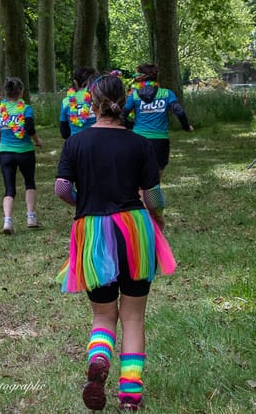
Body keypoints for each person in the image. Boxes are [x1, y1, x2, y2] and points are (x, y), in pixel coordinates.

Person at [54, 74, 176, 412]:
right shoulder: (140, 143)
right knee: (134, 318)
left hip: (93, 233)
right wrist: (159, 218)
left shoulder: (76, 143)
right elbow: (152, 195)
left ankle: (99, 359)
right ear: (124, 103)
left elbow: (62, 189)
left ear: (91, 104)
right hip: (134, 231)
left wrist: (83, 203)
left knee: (103, 316)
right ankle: (130, 397)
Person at [0, 77, 43, 235]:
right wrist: (37, 141)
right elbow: (30, 127)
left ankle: (7, 221)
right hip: (25, 151)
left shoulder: (0, 110)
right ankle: (31, 217)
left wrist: (1, 129)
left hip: (5, 153)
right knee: (29, 183)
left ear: (6, 93)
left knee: (9, 188)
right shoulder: (26, 109)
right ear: (21, 92)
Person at [122, 63, 193, 175]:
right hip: (159, 141)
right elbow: (179, 111)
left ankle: (142, 193)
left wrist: (131, 125)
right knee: (155, 179)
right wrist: (186, 127)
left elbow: (123, 116)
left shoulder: (134, 95)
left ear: (140, 77)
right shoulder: (167, 93)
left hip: (138, 140)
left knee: (138, 178)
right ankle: (152, 193)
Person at [59, 67, 97, 139]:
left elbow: (64, 133)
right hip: (98, 142)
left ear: (75, 82)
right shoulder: (99, 98)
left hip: (75, 143)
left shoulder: (66, 101)